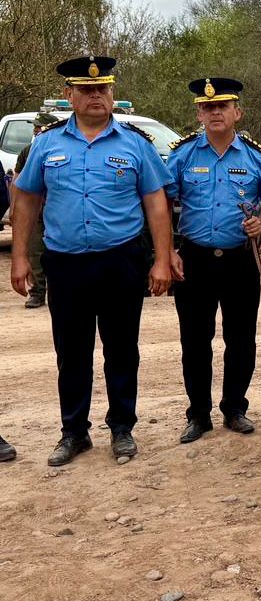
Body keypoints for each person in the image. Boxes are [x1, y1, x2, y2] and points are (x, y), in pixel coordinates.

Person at [10, 55, 173, 466]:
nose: (96, 95)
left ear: (112, 94)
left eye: (102, 89)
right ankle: (74, 432)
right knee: (71, 351)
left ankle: (122, 429)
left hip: (121, 261)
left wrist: (162, 260)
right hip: (65, 264)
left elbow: (156, 204)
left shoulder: (136, 144)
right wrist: (19, 258)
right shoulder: (47, 144)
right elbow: (26, 200)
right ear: (70, 97)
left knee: (122, 349)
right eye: (86, 90)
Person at [165, 77, 261, 444]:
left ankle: (234, 408)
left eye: (222, 106)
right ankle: (198, 415)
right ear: (198, 113)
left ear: (236, 113)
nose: (214, 112)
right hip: (193, 259)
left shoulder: (257, 158)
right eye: (207, 107)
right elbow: (162, 202)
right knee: (195, 340)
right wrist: (167, 251)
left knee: (241, 339)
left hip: (240, 260)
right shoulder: (182, 155)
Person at [12, 112, 60, 308]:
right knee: (35, 253)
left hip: (56, 213)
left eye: (39, 127)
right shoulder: (28, 151)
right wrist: (14, 208)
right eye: (35, 128)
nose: (36, 131)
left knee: (58, 255)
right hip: (36, 214)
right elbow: (17, 182)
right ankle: (37, 292)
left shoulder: (60, 148)